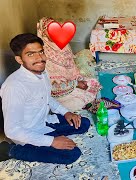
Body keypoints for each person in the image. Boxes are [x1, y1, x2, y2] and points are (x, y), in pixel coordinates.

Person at [0, 33, 90, 164]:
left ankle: (53, 135)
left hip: (44, 121)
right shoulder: (14, 86)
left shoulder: (42, 72)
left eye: (41, 52)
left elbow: (47, 98)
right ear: (19, 59)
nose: (39, 58)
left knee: (84, 123)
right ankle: (11, 150)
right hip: (29, 134)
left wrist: (66, 113)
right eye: (31, 54)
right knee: (71, 154)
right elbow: (12, 131)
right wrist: (52, 141)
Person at [37, 17, 101, 112]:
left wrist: (78, 79)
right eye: (49, 30)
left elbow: (71, 67)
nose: (55, 33)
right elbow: (51, 86)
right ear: (43, 32)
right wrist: (75, 84)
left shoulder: (63, 44)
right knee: (74, 101)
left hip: (71, 80)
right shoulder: (42, 52)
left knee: (92, 82)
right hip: (58, 90)